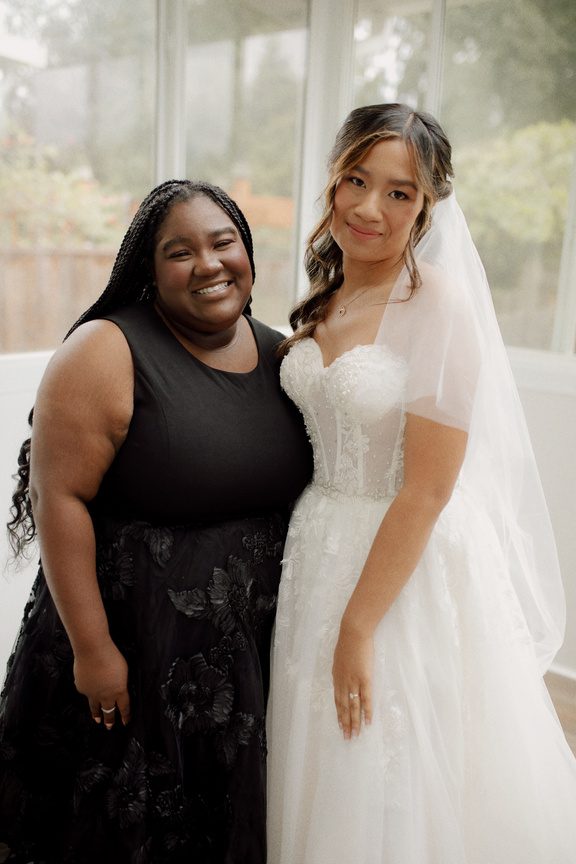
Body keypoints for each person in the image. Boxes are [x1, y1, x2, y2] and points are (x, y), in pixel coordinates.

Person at [267, 103, 576, 863]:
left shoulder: (436, 303)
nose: (369, 207)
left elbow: (429, 491)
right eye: (356, 180)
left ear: (428, 205)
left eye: (400, 193)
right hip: (316, 545)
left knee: (386, 753)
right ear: (333, 182)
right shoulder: (325, 292)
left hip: (401, 561)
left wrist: (359, 625)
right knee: (311, 749)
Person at [0, 179, 312, 863]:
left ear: (248, 251)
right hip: (130, 654)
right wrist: (92, 649)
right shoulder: (105, 350)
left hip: (243, 667)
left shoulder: (282, 353)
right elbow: (60, 499)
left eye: (223, 241)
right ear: (148, 268)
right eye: (180, 251)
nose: (209, 263)